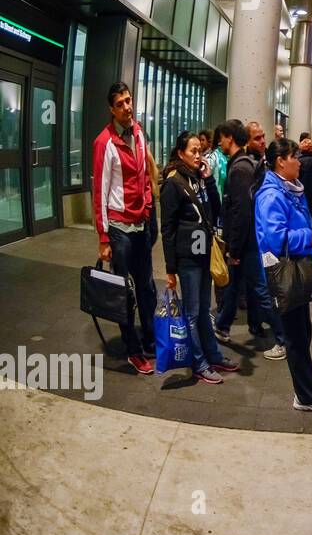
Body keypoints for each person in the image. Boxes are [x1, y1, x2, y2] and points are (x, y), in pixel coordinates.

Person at [256, 137, 312, 413]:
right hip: (285, 273)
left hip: (297, 269)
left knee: (303, 332)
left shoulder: (288, 190)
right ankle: (306, 397)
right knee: (295, 338)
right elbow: (274, 239)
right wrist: (307, 235)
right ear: (280, 161)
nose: (298, 162)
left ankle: (310, 382)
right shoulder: (272, 196)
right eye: (294, 157)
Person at [160, 131, 239, 384]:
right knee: (193, 312)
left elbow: (215, 211)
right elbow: (168, 230)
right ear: (180, 152)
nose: (198, 155)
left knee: (204, 309)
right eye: (192, 151)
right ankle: (199, 363)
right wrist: (170, 269)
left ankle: (212, 355)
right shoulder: (173, 183)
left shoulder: (198, 178)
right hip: (187, 257)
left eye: (199, 150)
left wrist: (209, 181)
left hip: (204, 252)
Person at [91, 82, 159, 373]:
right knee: (124, 292)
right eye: (120, 104)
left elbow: (145, 174)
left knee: (146, 286)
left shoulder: (139, 132)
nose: (127, 107)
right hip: (119, 228)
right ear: (111, 109)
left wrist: (146, 206)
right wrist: (103, 237)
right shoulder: (104, 143)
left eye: (128, 100)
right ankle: (133, 349)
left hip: (140, 224)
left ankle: (150, 340)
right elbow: (100, 192)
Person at [213, 120, 286, 359]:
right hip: (248, 241)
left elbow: (241, 211)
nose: (219, 143)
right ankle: (223, 326)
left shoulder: (240, 168)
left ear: (229, 138)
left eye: (221, 138)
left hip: (248, 243)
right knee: (234, 284)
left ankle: (283, 339)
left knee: (261, 290)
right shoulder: (243, 165)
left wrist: (234, 248)